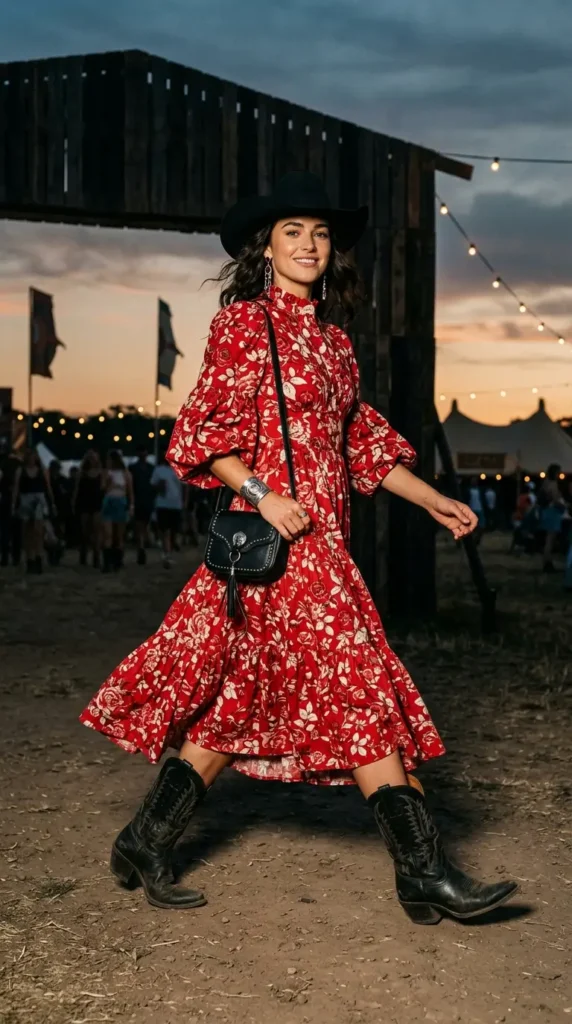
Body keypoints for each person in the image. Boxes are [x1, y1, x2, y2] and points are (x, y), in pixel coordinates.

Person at [80, 171, 518, 923]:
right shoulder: (245, 326)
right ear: (266, 248)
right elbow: (205, 433)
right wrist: (260, 493)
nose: (309, 244)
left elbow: (361, 447)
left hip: (326, 547)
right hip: (281, 549)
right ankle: (425, 870)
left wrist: (434, 500)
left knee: (235, 701)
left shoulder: (335, 345)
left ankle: (145, 840)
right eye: (293, 232)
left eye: (319, 233)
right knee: (360, 692)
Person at [12, 448, 53, 573]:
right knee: (27, 532)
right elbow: (16, 488)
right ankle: (30, 559)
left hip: (39, 500)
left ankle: (38, 558)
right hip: (25, 500)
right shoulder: (21, 471)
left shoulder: (42, 471)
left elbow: (48, 487)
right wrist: (13, 505)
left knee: (38, 531)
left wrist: (52, 502)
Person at [100, 449, 133, 572]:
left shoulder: (125, 474)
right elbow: (102, 488)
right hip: (109, 500)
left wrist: (131, 506)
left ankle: (117, 561)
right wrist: (108, 481)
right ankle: (107, 563)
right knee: (108, 534)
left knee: (119, 535)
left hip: (120, 501)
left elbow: (130, 492)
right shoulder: (106, 473)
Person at [151, 448, 184, 568]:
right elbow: (153, 486)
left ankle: (170, 550)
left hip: (176, 504)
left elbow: (185, 488)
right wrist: (160, 486)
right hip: (162, 504)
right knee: (165, 530)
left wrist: (185, 502)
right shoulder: (158, 470)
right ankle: (167, 554)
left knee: (174, 531)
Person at [73, 451, 103, 567]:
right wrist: (74, 502)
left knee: (96, 531)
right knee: (84, 531)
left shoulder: (100, 473)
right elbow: (77, 490)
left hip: (96, 503)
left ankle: (96, 555)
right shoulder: (82, 474)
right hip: (84, 503)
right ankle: (84, 554)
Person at [538, 463, 565, 572]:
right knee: (550, 539)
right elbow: (555, 499)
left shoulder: (545, 483)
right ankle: (547, 562)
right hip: (552, 512)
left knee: (548, 539)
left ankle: (547, 561)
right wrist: (563, 505)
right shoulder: (553, 484)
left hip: (547, 512)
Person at [130, 446, 155, 565]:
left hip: (144, 500)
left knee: (142, 525)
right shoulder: (146, 468)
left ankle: (142, 546)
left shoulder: (149, 468)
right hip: (140, 500)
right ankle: (142, 546)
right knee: (141, 525)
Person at [0, 442, 22, 568]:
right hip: (14, 498)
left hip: (5, 498)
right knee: (15, 531)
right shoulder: (17, 463)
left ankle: (6, 558)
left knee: (5, 530)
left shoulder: (4, 464)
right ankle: (15, 557)